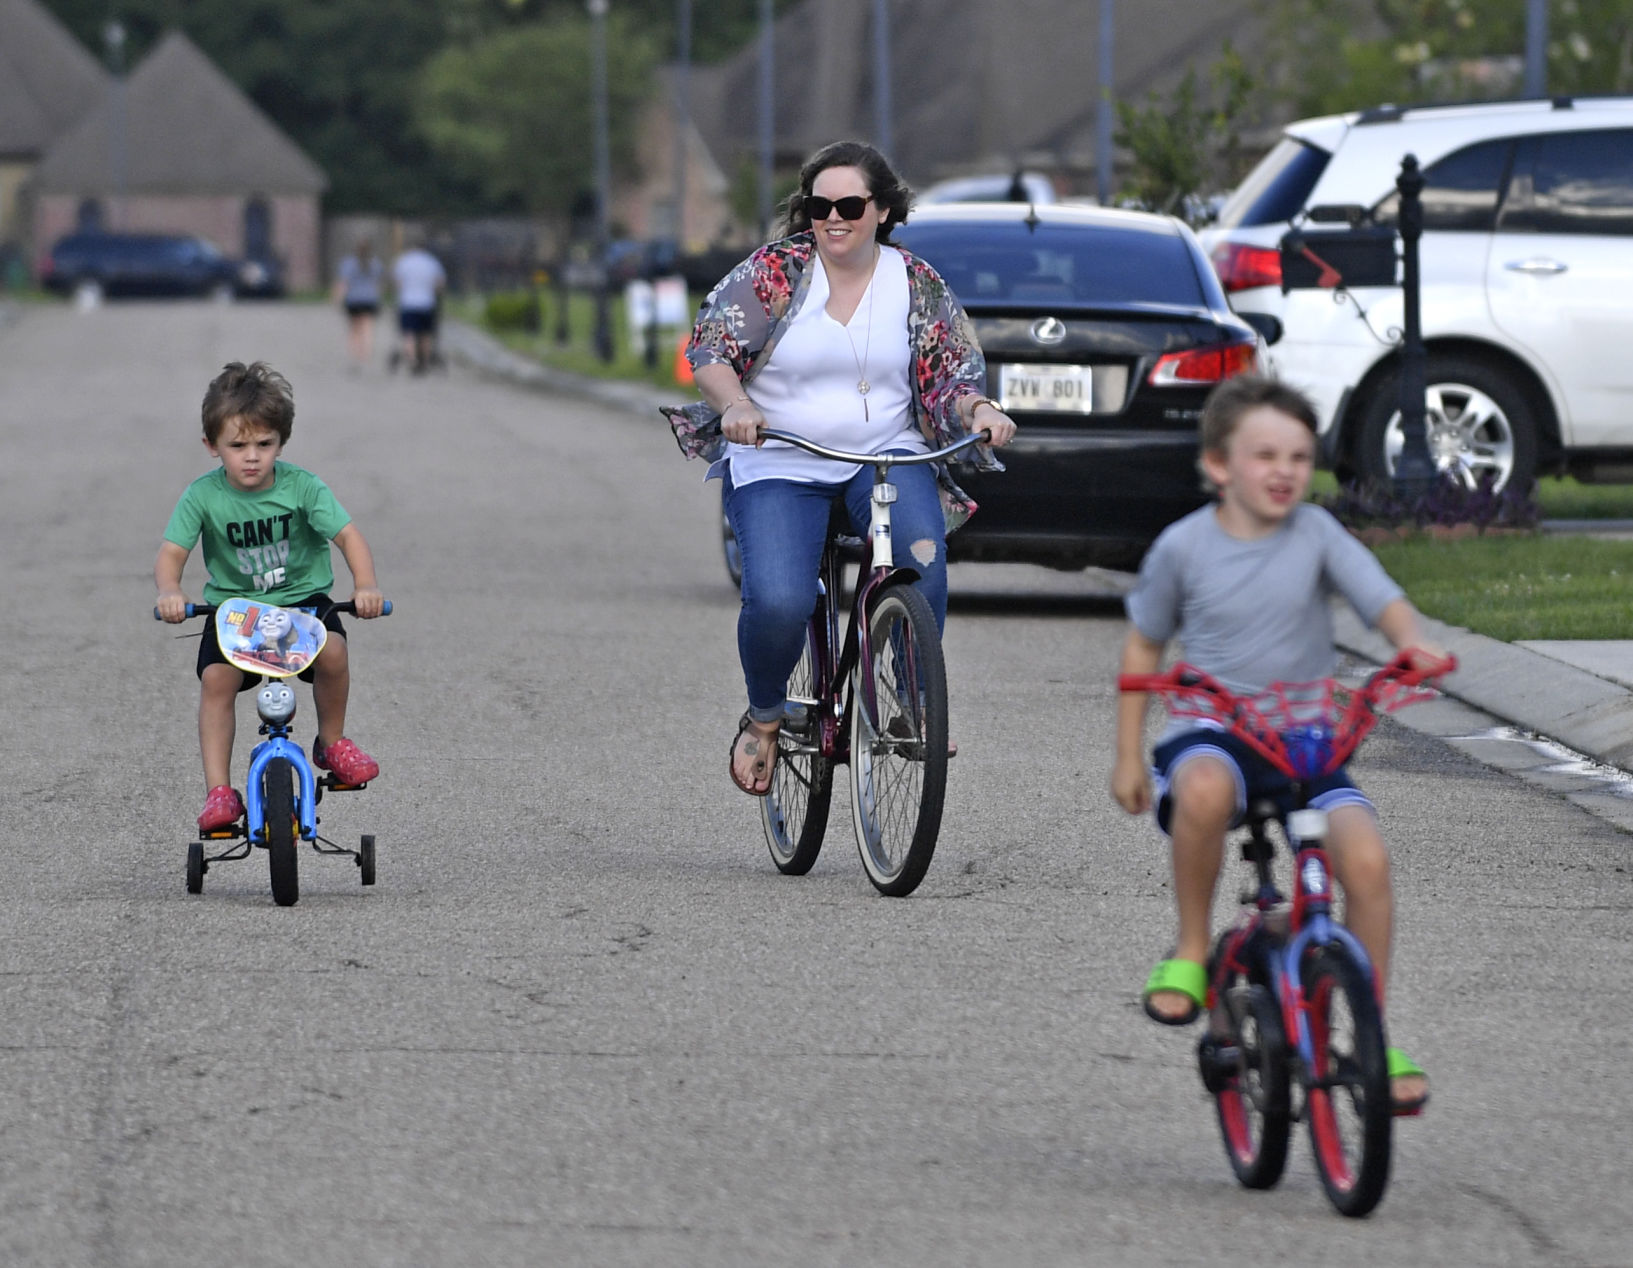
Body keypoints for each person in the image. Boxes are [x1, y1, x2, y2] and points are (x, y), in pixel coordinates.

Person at [1111, 374, 1440, 1114]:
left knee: (1364, 858)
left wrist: (1410, 639)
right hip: (1214, 731)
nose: (1284, 470)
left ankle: (1372, 1032)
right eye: (1264, 455)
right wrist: (1129, 754)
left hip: (1306, 745)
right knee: (1204, 790)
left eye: (1297, 455)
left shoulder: (1317, 534)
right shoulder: (1183, 547)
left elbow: (1378, 596)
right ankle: (1193, 949)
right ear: (1219, 466)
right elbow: (1143, 648)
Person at [663, 139, 1017, 797]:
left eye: (848, 205)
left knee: (921, 559)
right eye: (818, 206)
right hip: (779, 457)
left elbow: (950, 375)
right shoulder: (776, 271)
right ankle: (766, 713)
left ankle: (912, 698)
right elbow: (711, 348)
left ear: (881, 210)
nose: (832, 218)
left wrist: (978, 409)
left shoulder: (915, 283)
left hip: (884, 454)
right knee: (779, 598)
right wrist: (735, 403)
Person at [155, 361, 385, 832]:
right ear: (212, 446)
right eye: (237, 446)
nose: (252, 457)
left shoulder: (302, 487)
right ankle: (219, 792)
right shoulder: (202, 496)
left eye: (265, 444)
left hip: (302, 603)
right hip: (235, 611)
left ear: (282, 442)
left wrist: (364, 586)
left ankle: (332, 742)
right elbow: (171, 553)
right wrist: (170, 592)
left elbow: (348, 536)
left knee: (335, 651)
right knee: (217, 681)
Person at [390, 238, 446, 373]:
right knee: (425, 334)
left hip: (408, 303)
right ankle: (425, 362)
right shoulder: (432, 262)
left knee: (408, 334)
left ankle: (412, 360)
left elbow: (397, 283)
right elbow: (440, 283)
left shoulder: (403, 262)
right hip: (427, 303)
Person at [333, 238, 384, 370]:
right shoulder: (375, 263)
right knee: (367, 328)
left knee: (354, 329)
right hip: (370, 299)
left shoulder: (349, 263)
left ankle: (355, 355)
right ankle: (365, 354)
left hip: (354, 299)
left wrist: (337, 299)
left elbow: (343, 283)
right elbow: (378, 284)